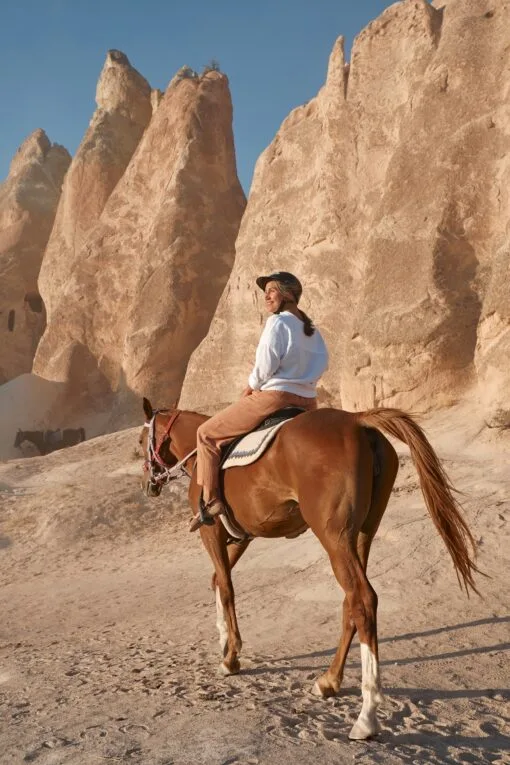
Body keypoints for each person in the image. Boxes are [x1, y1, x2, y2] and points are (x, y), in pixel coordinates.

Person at [190, 271, 329, 532]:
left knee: (206, 433)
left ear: (287, 295)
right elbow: (323, 364)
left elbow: (266, 364)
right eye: (265, 292)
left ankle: (211, 501)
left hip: (275, 398)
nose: (266, 296)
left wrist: (250, 388)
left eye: (272, 290)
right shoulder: (314, 332)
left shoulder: (277, 323)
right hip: (309, 402)